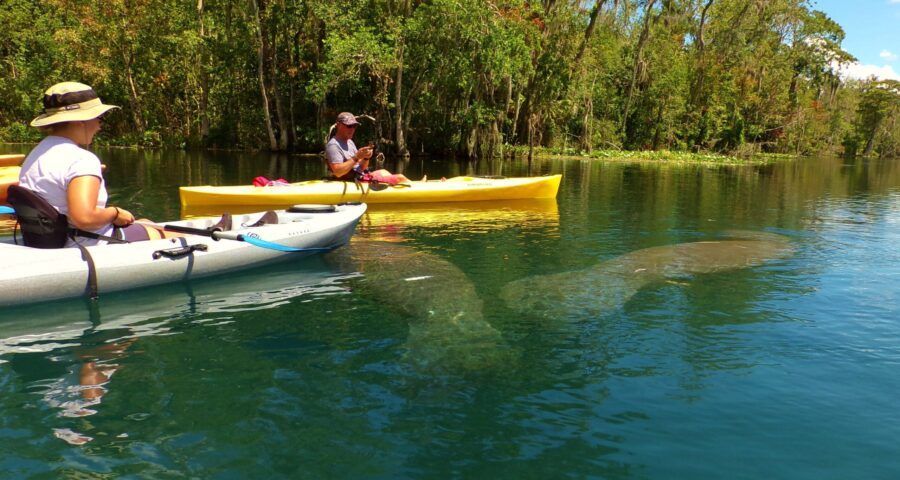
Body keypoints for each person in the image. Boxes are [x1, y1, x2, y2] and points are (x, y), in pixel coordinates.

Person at [18, 82, 177, 247]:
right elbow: (84, 218)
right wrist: (114, 213)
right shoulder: (82, 160)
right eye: (99, 118)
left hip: (51, 243)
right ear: (80, 121)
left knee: (144, 222)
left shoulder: (35, 155)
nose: (100, 126)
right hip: (85, 245)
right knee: (171, 234)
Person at [324, 112, 413, 184]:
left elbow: (362, 167)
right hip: (352, 181)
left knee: (384, 171)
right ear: (339, 125)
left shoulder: (350, 142)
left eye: (354, 126)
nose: (352, 129)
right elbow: (338, 172)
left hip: (360, 176)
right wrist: (356, 157)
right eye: (349, 126)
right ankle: (416, 187)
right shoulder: (333, 146)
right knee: (400, 178)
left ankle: (413, 185)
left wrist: (366, 157)